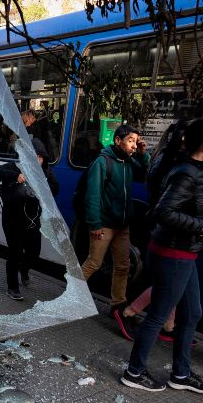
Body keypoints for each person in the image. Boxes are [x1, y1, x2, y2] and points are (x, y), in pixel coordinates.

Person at [120, 118, 203, 393]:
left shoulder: (194, 171)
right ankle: (134, 372)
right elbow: (164, 212)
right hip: (173, 254)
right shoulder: (185, 172)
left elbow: (194, 205)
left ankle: (180, 374)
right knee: (158, 315)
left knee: (192, 314)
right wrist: (202, 226)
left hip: (184, 254)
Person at [113, 119, 191, 342]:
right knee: (169, 283)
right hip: (168, 230)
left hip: (171, 229)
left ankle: (168, 324)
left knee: (175, 283)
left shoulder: (166, 159)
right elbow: (162, 196)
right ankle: (129, 312)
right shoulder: (171, 162)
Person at [81, 124, 150, 313]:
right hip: (104, 224)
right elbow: (92, 195)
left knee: (123, 266)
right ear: (117, 141)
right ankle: (71, 292)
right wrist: (95, 224)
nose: (134, 145)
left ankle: (118, 304)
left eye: (136, 141)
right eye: (130, 141)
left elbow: (144, 174)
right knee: (94, 263)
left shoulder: (128, 162)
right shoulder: (103, 162)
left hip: (122, 226)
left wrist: (143, 155)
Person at [0, 137, 59, 300]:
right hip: (12, 220)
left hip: (32, 221)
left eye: (40, 157)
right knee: (14, 253)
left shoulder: (46, 173)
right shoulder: (14, 167)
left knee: (33, 254)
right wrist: (15, 176)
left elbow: (56, 189)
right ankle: (12, 287)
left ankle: (24, 270)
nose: (37, 160)